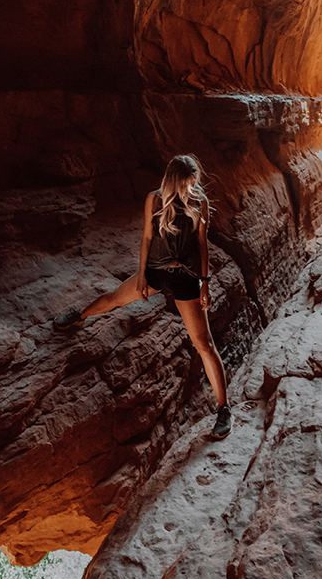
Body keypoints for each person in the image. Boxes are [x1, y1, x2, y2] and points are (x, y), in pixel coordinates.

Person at [53, 153, 231, 440]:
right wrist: (143, 276)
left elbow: (202, 244)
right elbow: (147, 237)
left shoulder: (200, 203)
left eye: (193, 183)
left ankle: (224, 410)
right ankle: (79, 316)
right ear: (174, 181)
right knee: (115, 298)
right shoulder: (155, 200)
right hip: (157, 270)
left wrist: (205, 283)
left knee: (204, 343)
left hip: (186, 277)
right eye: (186, 183)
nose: (191, 188)